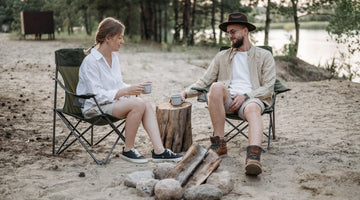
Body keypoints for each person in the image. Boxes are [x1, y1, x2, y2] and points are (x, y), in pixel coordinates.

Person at [76, 17, 183, 164]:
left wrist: (135, 88)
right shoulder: (91, 62)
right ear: (108, 38)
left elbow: (117, 84)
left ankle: (159, 151)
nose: (123, 41)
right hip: (94, 107)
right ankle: (128, 149)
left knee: (144, 101)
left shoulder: (114, 57)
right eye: (119, 38)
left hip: (110, 103)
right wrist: (127, 92)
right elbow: (97, 96)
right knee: (137, 104)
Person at [181, 13, 276, 176]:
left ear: (245, 31)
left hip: (252, 99)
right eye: (228, 33)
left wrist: (246, 96)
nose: (229, 36)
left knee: (253, 109)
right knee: (216, 86)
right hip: (227, 99)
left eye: (233, 32)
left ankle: (253, 157)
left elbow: (269, 87)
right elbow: (205, 81)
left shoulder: (264, 56)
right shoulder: (222, 56)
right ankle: (219, 144)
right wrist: (184, 93)